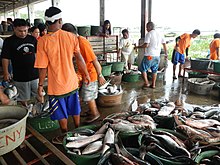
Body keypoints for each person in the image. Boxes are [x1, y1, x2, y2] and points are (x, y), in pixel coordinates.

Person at [34, 7, 90, 144]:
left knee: (61, 112)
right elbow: (79, 58)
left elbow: (42, 67)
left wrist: (40, 86)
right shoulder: (71, 37)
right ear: (59, 20)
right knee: (75, 108)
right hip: (71, 82)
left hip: (56, 86)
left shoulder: (42, 41)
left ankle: (65, 135)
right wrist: (86, 74)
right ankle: (77, 130)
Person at [62, 23, 106, 123]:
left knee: (88, 95)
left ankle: (95, 114)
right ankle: (91, 111)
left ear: (69, 34)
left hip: (90, 73)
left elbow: (94, 60)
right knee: (86, 94)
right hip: (83, 72)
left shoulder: (82, 42)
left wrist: (100, 75)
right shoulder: (75, 41)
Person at [1, 18, 39, 107]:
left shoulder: (32, 39)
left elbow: (37, 54)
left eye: (25, 31)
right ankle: (26, 109)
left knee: (38, 94)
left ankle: (38, 110)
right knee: (22, 97)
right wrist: (6, 73)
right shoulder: (9, 41)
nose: (23, 33)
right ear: (14, 29)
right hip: (20, 75)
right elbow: (5, 58)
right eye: (20, 31)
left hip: (34, 73)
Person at [135, 22, 167, 89]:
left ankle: (146, 83)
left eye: (147, 27)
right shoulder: (160, 34)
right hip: (157, 56)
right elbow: (164, 44)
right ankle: (153, 84)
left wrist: (137, 47)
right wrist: (166, 53)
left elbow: (146, 45)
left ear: (149, 27)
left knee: (142, 69)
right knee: (154, 70)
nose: (146, 29)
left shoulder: (149, 34)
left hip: (149, 56)